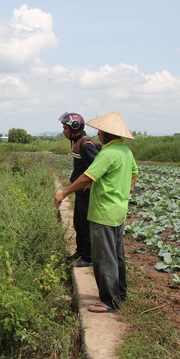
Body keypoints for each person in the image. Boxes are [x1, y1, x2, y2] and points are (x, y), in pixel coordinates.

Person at [54, 112, 139, 313]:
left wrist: (64, 193)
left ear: (108, 134)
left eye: (100, 131)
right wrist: (121, 190)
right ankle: (120, 294)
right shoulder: (125, 151)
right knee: (116, 255)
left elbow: (86, 177)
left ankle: (109, 300)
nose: (98, 134)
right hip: (118, 209)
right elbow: (135, 173)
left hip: (103, 211)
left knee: (103, 257)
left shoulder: (107, 153)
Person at [57, 112, 99, 267]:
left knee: (86, 224)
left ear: (74, 127)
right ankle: (80, 252)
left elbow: (98, 166)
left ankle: (88, 257)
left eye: (65, 127)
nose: (63, 131)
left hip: (86, 191)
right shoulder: (77, 142)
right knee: (78, 222)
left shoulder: (85, 144)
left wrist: (91, 182)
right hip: (80, 191)